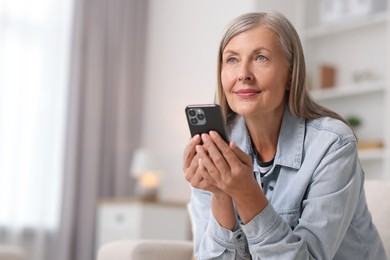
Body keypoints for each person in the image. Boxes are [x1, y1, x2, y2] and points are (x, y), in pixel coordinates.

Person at [183, 11, 386, 260]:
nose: (243, 74)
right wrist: (221, 194)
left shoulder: (332, 144)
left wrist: (246, 192)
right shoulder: (215, 148)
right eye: (232, 60)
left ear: (291, 73)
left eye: (260, 58)